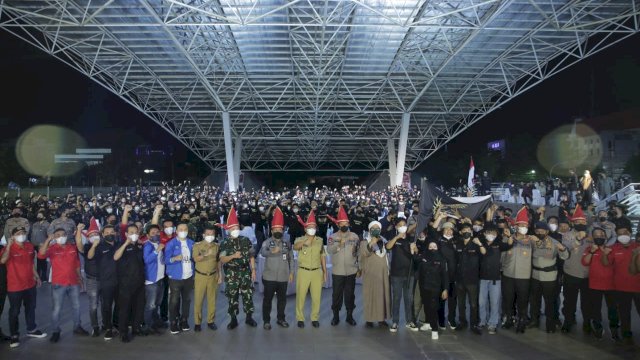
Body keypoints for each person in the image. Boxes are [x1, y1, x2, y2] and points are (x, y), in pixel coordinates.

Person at [0, 227, 47, 348]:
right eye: (18, 233)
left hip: (30, 284)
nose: (21, 235)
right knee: (14, 311)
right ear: (13, 236)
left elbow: (31, 264)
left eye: (23, 233)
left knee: (31, 308)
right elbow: (3, 260)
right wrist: (9, 246)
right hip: (15, 286)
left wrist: (37, 276)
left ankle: (31, 329)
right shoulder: (7, 248)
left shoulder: (29, 246)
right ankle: (14, 335)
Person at [38, 228, 87, 343]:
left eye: (63, 234)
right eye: (58, 235)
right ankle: (56, 331)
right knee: (56, 309)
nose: (61, 236)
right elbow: (41, 255)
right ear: (54, 237)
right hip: (58, 283)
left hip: (73, 282)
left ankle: (77, 327)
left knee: (77, 306)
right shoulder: (52, 249)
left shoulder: (72, 247)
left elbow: (77, 263)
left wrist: (80, 277)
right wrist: (48, 240)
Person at [219, 207, 257, 329]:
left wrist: (253, 270)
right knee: (232, 296)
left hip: (245, 271)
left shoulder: (246, 240)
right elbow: (222, 259)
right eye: (232, 229)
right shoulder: (224, 243)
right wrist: (233, 256)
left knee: (248, 295)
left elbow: (251, 255)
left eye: (236, 228)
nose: (235, 230)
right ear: (228, 230)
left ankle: (249, 317)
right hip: (231, 273)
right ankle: (233, 319)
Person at [601, 225, 639, 344]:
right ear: (617, 236)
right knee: (624, 312)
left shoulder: (637, 247)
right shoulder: (614, 248)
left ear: (630, 233)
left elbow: (634, 270)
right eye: (620, 233)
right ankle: (626, 333)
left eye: (625, 232)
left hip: (638, 287)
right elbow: (606, 263)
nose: (623, 235)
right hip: (620, 287)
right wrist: (605, 254)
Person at [528, 222, 568, 333]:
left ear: (547, 231)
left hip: (549, 276)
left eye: (542, 231)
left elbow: (565, 256)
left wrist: (563, 249)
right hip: (535, 274)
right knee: (534, 300)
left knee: (550, 301)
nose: (539, 232)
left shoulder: (554, 242)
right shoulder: (532, 240)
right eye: (537, 231)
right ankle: (534, 321)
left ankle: (550, 324)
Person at [581, 227, 619, 340]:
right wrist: (592, 251)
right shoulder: (589, 249)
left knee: (612, 308)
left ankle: (614, 328)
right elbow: (585, 262)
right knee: (595, 308)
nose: (599, 236)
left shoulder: (611, 249)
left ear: (606, 237)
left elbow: (607, 264)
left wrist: (605, 253)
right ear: (592, 238)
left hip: (611, 285)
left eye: (602, 234)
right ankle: (598, 326)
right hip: (594, 284)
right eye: (596, 235)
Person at [501, 206, 534, 334]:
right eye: (520, 225)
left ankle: (521, 321)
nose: (523, 227)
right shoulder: (507, 238)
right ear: (516, 225)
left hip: (524, 276)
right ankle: (509, 319)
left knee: (522, 301)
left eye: (525, 225)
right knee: (508, 299)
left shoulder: (531, 241)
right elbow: (502, 256)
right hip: (508, 274)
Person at [259, 207, 293, 330]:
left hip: (283, 276)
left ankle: (281, 318)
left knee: (282, 300)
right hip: (269, 276)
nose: (278, 230)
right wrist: (272, 251)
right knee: (267, 300)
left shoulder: (287, 243)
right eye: (276, 229)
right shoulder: (267, 242)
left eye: (280, 229)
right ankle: (266, 321)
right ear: (272, 230)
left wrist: (292, 272)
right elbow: (262, 253)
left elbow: (291, 259)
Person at [293, 210, 327, 328]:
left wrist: (325, 272)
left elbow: (322, 256)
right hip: (303, 271)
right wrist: (305, 242)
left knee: (316, 297)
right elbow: (295, 247)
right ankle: (300, 318)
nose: (312, 229)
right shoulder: (299, 239)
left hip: (316, 271)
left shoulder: (320, 240)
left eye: (314, 227)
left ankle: (314, 318)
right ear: (305, 228)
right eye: (310, 227)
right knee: (301, 296)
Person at [327, 206, 359, 327]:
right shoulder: (333, 237)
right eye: (342, 223)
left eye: (346, 223)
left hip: (351, 270)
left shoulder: (355, 236)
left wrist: (359, 267)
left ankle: (349, 316)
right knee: (336, 295)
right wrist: (339, 245)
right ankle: (335, 316)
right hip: (338, 271)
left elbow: (358, 252)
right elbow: (329, 250)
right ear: (338, 225)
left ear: (348, 223)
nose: (344, 225)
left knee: (350, 295)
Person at [384, 218, 418, 332]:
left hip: (409, 274)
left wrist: (415, 249)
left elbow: (416, 254)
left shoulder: (411, 238)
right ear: (396, 227)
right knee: (397, 298)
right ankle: (395, 322)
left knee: (409, 298)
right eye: (400, 225)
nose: (402, 226)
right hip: (396, 274)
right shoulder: (393, 238)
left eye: (404, 225)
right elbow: (388, 247)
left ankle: (409, 321)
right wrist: (396, 237)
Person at [113, 225, 146, 342]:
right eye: (131, 232)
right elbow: (116, 257)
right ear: (126, 234)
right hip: (126, 283)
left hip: (140, 282)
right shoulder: (120, 245)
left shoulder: (140, 245)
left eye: (136, 232)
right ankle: (123, 332)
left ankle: (136, 328)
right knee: (125, 309)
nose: (134, 234)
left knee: (139, 307)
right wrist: (126, 244)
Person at [478, 224, 512, 334]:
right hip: (482, 278)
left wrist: (509, 235)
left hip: (495, 279)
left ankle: (493, 323)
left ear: (497, 234)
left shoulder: (499, 244)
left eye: (493, 233)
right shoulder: (480, 244)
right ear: (484, 233)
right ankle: (482, 321)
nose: (491, 235)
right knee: (481, 302)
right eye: (489, 233)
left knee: (494, 302)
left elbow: (510, 245)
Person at [560, 214, 591, 334]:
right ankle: (568, 321)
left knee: (587, 301)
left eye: (583, 222)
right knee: (569, 300)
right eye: (578, 221)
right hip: (571, 272)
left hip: (587, 274)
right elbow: (566, 248)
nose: (581, 224)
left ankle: (587, 322)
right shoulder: (567, 235)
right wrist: (577, 239)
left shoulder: (590, 235)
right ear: (573, 223)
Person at [88, 224, 120, 341]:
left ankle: (116, 325)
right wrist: (94, 246)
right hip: (106, 282)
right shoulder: (100, 247)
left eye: (112, 232)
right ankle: (108, 328)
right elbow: (90, 256)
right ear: (102, 235)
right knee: (106, 306)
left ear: (115, 233)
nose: (110, 234)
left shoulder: (118, 245)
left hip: (120, 281)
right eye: (107, 233)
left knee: (119, 305)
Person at [411, 240, 448, 339]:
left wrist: (445, 289)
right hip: (424, 286)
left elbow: (445, 275)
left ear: (438, 248)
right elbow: (415, 261)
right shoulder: (423, 257)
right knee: (426, 305)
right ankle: (427, 323)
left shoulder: (442, 259)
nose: (432, 249)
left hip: (436, 287)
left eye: (434, 247)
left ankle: (434, 329)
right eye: (430, 246)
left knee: (433, 307)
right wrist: (414, 250)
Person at [455, 223, 486, 334]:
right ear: (461, 232)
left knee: (473, 304)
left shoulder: (475, 243)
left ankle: (474, 324)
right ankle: (462, 322)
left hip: (472, 279)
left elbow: (484, 253)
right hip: (460, 279)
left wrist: (480, 244)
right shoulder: (458, 244)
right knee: (461, 303)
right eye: (464, 230)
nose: (466, 231)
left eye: (469, 229)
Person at [164, 222, 195, 334]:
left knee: (186, 300)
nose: (183, 231)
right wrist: (174, 258)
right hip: (175, 277)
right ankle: (173, 321)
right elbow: (165, 260)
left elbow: (194, 258)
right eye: (180, 229)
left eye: (185, 229)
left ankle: (184, 320)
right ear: (176, 231)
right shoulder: (171, 244)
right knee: (174, 300)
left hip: (188, 276)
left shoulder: (191, 243)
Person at [360, 221, 391, 328]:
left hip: (383, 273)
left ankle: (381, 319)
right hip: (370, 272)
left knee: (382, 295)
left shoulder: (383, 240)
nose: (375, 230)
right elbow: (364, 253)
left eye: (377, 228)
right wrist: (372, 242)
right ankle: (369, 319)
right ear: (369, 230)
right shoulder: (365, 241)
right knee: (370, 295)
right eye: (373, 228)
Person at [192, 225, 222, 332]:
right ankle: (197, 322)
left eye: (212, 234)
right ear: (204, 235)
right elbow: (195, 259)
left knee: (212, 300)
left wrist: (220, 275)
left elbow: (218, 261)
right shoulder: (198, 246)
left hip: (213, 276)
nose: (210, 236)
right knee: (198, 300)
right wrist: (205, 254)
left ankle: (210, 321)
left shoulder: (217, 246)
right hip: (201, 276)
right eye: (208, 234)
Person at [142, 224, 166, 334]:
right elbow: (146, 260)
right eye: (153, 233)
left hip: (160, 278)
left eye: (157, 232)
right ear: (147, 235)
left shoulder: (159, 244)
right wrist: (157, 251)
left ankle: (155, 321)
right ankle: (148, 325)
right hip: (151, 280)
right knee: (150, 305)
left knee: (157, 303)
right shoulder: (148, 245)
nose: (156, 234)